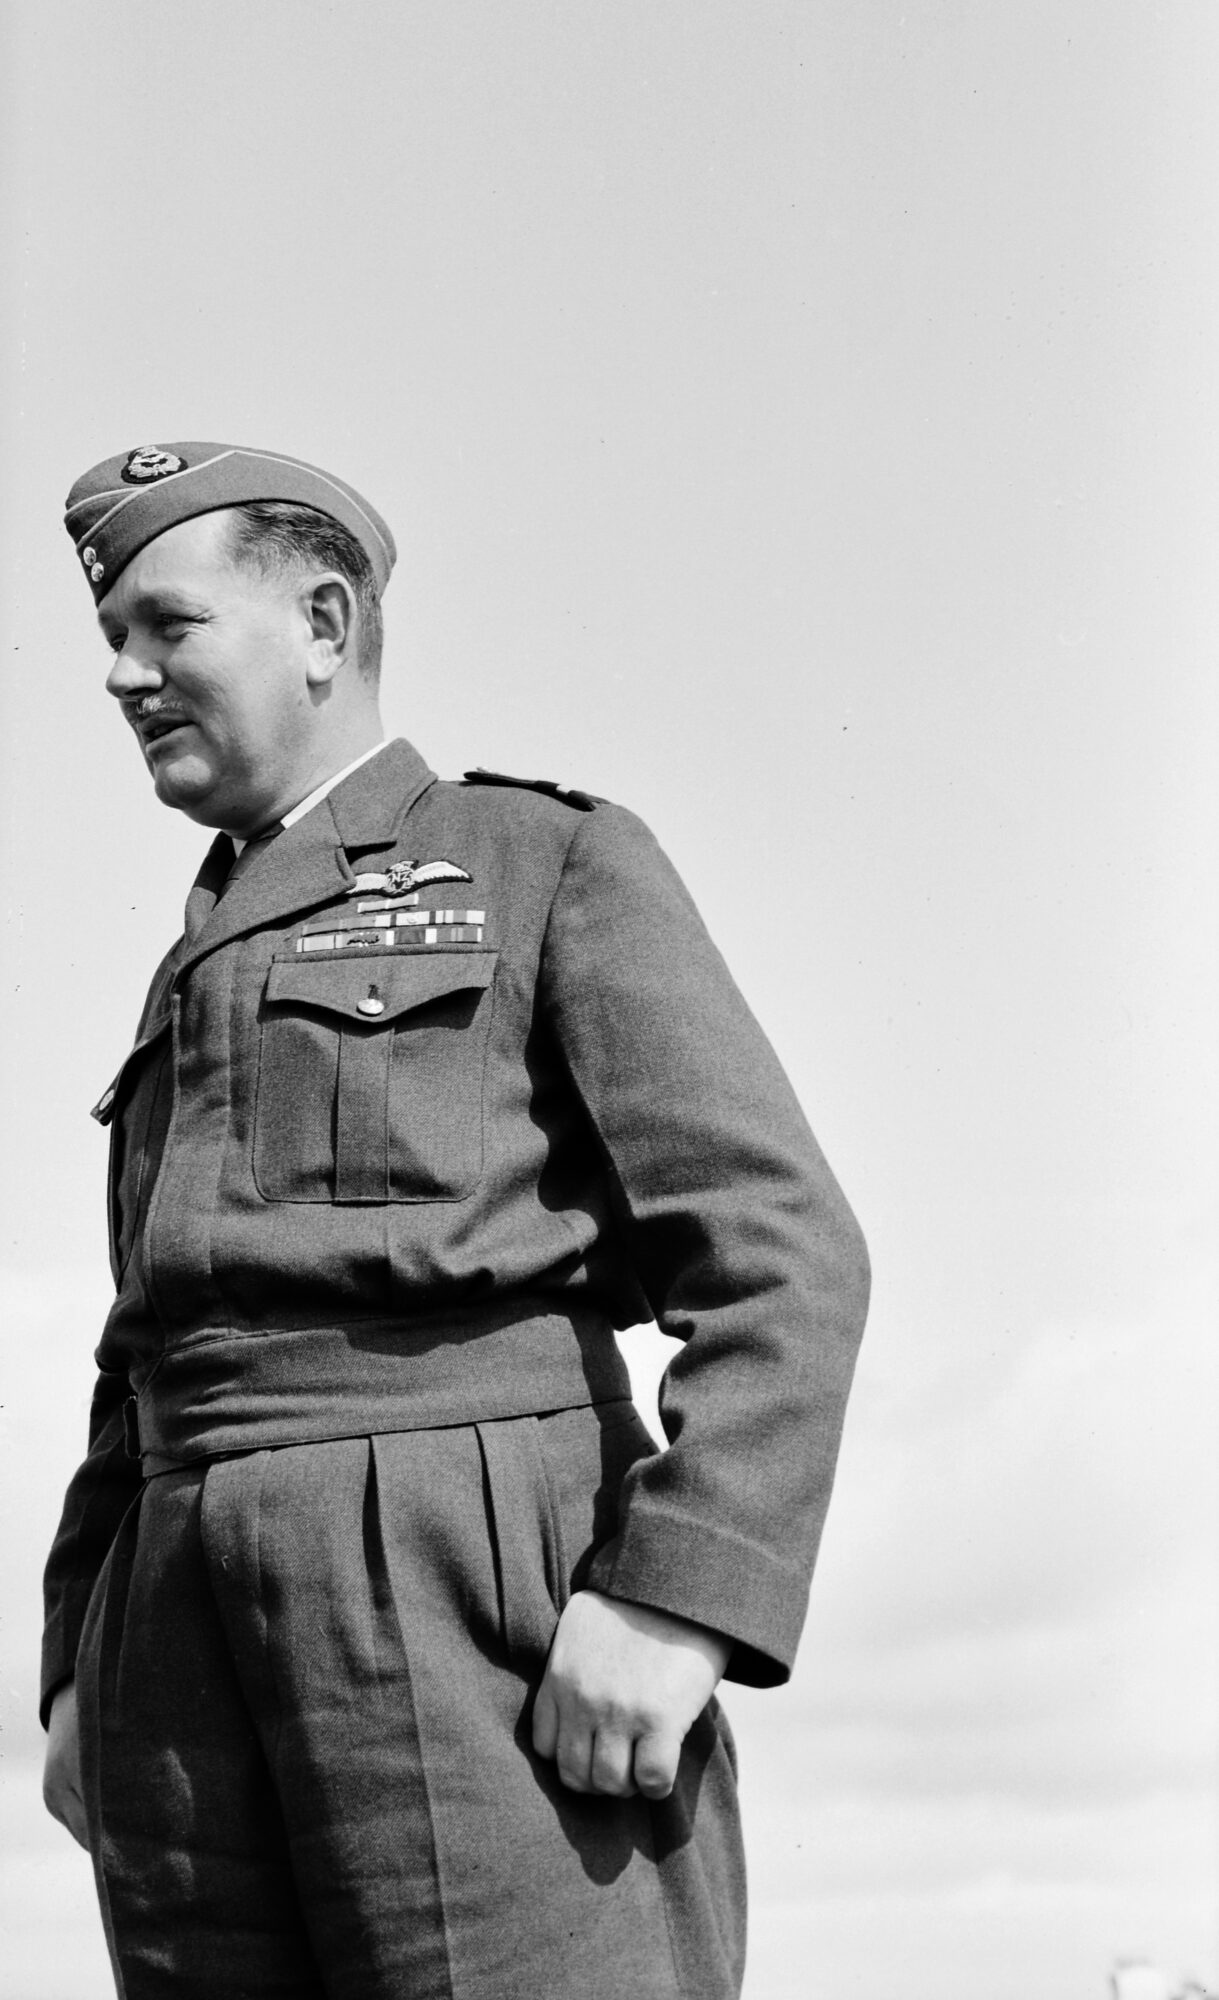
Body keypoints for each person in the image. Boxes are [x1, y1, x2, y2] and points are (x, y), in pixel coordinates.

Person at [42, 439, 870, 2000]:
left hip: (461, 1598)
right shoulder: (189, 965)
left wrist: (678, 1599)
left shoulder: (540, 863)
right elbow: (143, 1346)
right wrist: (78, 1661)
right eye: (110, 639)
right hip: (176, 1647)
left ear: (324, 623)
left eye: (168, 625)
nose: (123, 675)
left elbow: (780, 1253)